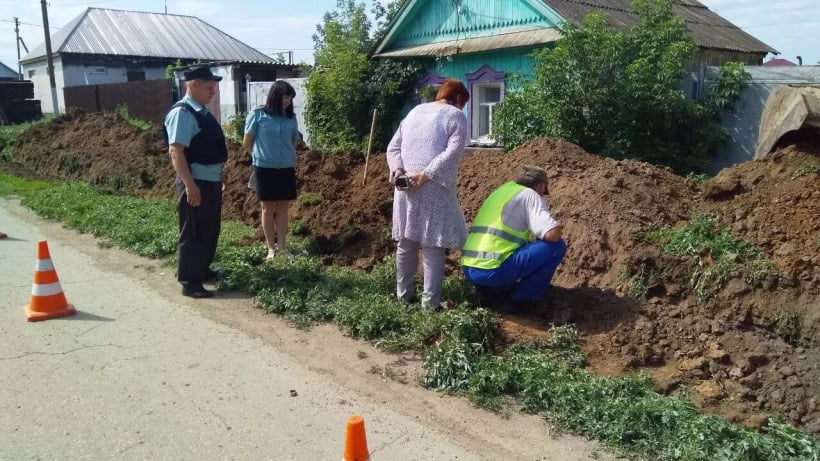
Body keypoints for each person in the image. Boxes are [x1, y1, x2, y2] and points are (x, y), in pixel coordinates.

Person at [386, 79, 470, 311]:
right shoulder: (456, 116)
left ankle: (403, 296)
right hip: (433, 186)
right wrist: (426, 174)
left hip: (405, 187)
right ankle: (430, 304)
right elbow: (453, 152)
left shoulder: (415, 111)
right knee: (433, 245)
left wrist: (399, 170)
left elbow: (393, 147)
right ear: (459, 99)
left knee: (406, 242)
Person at [461, 165, 567, 313]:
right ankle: (521, 301)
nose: (542, 196)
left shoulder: (501, 191)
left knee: (517, 254)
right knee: (556, 247)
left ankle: (487, 293)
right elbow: (552, 235)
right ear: (540, 186)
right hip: (492, 270)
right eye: (543, 192)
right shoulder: (530, 195)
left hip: (469, 269)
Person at [163, 66, 228, 299]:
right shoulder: (183, 113)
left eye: (214, 87)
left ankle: (202, 270)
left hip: (208, 181)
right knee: (193, 231)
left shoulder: (199, 111)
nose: (213, 92)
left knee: (209, 229)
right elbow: (176, 152)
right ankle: (190, 282)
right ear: (193, 84)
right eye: (209, 87)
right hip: (196, 181)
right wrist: (190, 185)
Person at [242, 81, 301, 260]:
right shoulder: (258, 115)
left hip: (285, 167)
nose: (287, 101)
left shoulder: (290, 118)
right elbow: (247, 142)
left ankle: (282, 247)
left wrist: (286, 156)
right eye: (285, 96)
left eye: (290, 98)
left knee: (283, 207)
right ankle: (270, 248)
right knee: (267, 208)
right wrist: (259, 157)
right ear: (275, 96)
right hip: (264, 168)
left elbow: (294, 141)